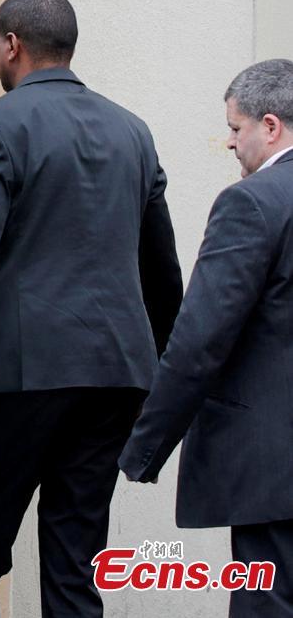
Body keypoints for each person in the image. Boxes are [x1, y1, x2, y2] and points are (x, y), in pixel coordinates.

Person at [0, 0, 183, 617]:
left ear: (12, 45)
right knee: (73, 567)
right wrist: (170, 372)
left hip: (20, 375)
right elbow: (161, 268)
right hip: (116, 376)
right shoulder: (132, 130)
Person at [120, 58, 293, 617]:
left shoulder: (252, 203)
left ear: (270, 127)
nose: (229, 143)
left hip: (274, 471)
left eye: (236, 128)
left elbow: (199, 340)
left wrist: (145, 448)